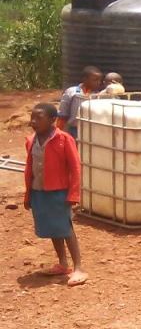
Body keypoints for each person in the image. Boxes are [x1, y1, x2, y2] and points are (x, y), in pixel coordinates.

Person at [24, 103, 86, 286]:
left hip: (59, 192)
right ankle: (62, 263)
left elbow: (75, 168)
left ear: (53, 120)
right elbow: (29, 168)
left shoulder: (64, 139)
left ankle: (78, 268)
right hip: (39, 190)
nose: (33, 121)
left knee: (66, 228)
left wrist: (73, 194)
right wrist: (28, 194)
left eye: (39, 118)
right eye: (32, 117)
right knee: (52, 228)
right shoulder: (31, 140)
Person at [56, 66, 103, 139]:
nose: (98, 82)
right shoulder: (72, 92)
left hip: (91, 130)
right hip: (73, 129)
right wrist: (60, 132)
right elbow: (63, 114)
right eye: (95, 80)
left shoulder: (99, 96)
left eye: (100, 80)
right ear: (85, 79)